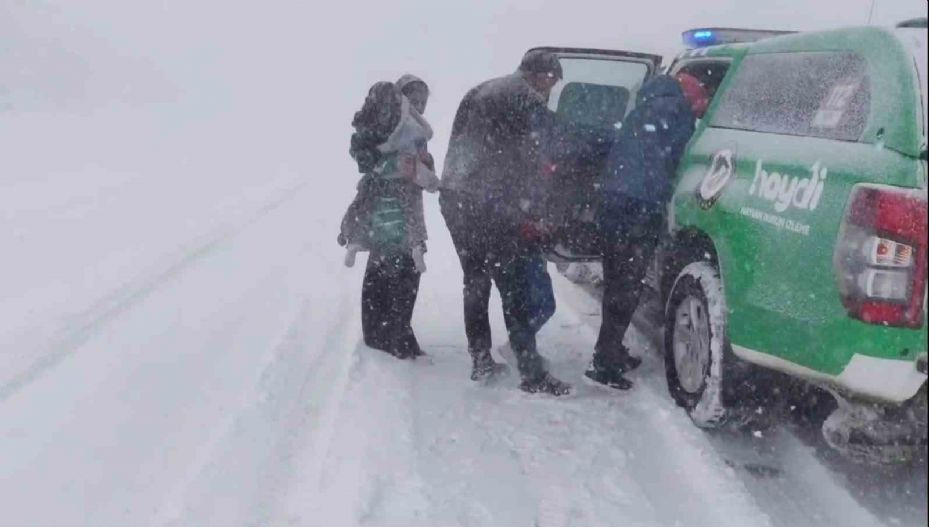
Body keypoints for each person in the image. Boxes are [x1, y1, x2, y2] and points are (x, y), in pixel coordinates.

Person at [440, 50, 571, 396]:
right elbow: (547, 153)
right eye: (552, 81)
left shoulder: (482, 89)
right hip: (489, 204)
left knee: (476, 279)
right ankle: (531, 372)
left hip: (456, 196)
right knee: (513, 284)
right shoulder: (526, 99)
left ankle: (481, 357)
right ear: (541, 75)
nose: (550, 89)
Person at [584, 73, 702, 390]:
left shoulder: (640, 111)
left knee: (616, 283)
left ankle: (611, 350)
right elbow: (684, 158)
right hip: (640, 207)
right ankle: (604, 363)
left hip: (612, 203)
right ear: (686, 95)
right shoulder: (679, 113)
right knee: (627, 287)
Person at [340, 75, 438, 360]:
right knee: (403, 274)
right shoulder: (404, 128)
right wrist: (431, 179)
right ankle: (398, 339)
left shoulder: (391, 127)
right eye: (417, 98)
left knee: (381, 270)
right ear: (404, 99)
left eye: (424, 100)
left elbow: (377, 162)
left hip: (380, 209)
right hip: (399, 210)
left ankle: (378, 333)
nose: (421, 104)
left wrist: (423, 166)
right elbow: (409, 170)